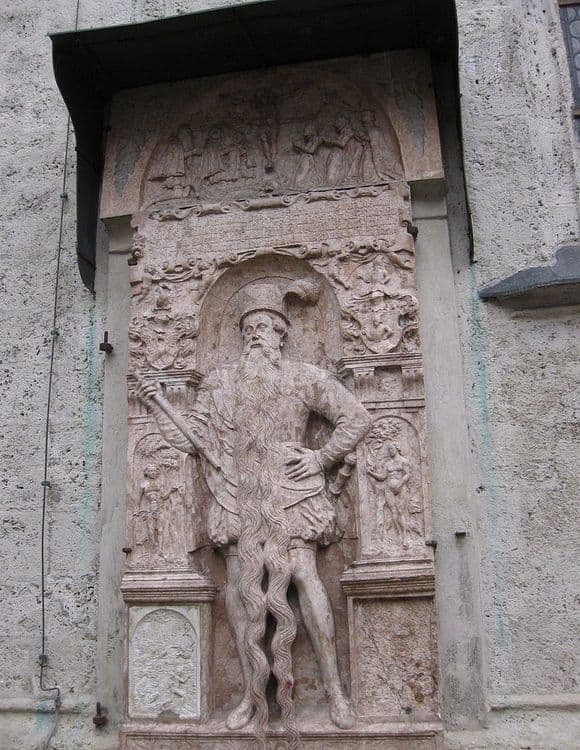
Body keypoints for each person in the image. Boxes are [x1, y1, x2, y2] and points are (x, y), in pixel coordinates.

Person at [136, 280, 371, 743]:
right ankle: (250, 694)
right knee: (239, 591)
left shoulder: (304, 377)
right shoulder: (220, 383)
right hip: (237, 495)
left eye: (265, 326)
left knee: (305, 577)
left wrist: (320, 458)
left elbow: (357, 418)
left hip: (290, 493)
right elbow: (189, 438)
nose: (257, 335)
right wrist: (157, 405)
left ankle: (335, 692)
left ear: (282, 333)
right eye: (250, 328)